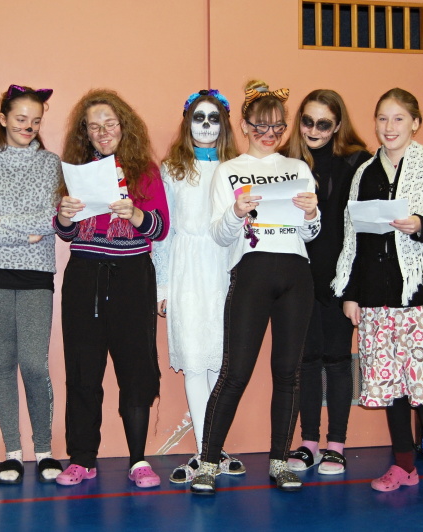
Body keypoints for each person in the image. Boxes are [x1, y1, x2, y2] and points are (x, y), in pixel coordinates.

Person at [332, 88, 423, 509]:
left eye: (398, 119)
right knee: (391, 387)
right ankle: (404, 466)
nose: (389, 127)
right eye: (382, 118)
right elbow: (353, 239)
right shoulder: (365, 172)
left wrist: (419, 225)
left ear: (415, 123)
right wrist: (351, 295)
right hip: (376, 298)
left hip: (422, 297)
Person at [190, 80, 320, 495]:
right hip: (251, 271)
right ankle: (208, 462)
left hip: (296, 273)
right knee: (235, 372)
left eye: (277, 127)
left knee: (288, 372)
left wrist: (312, 214)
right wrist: (236, 211)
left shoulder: (298, 169)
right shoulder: (228, 170)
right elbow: (219, 235)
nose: (269, 134)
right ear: (244, 126)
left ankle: (280, 461)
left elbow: (311, 234)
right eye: (261, 126)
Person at [53, 89, 169, 488]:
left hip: (132, 277)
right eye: (94, 126)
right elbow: (66, 233)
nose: (103, 132)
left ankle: (138, 460)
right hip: (84, 275)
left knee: (136, 370)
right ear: (84, 133)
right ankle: (82, 459)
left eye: (109, 124)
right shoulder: (76, 171)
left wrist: (135, 213)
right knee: (82, 370)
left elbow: (160, 228)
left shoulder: (145, 171)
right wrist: (64, 216)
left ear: (124, 126)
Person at [0, 84, 63, 484]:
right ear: (3, 119)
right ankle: (12, 453)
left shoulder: (52, 164)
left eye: (35, 120)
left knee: (35, 364)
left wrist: (0, 222)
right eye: (21, 118)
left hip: (37, 274)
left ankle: (44, 450)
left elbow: (52, 220)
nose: (28, 126)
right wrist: (26, 232)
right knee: (3, 363)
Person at [152, 89, 245, 483]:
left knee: (219, 361)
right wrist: (162, 286)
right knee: (194, 359)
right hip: (186, 271)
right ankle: (207, 451)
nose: (206, 125)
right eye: (198, 118)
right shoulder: (172, 170)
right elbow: (164, 233)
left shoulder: (236, 169)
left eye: (213, 118)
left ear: (224, 125)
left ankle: (212, 447)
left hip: (224, 269)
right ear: (187, 122)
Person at [280, 90, 371, 475]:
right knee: (305, 359)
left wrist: (354, 286)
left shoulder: (358, 162)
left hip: (340, 277)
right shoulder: (285, 161)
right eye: (307, 121)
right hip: (298, 276)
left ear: (337, 126)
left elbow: (363, 230)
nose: (313, 130)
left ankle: (336, 444)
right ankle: (309, 443)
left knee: (337, 359)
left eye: (323, 124)